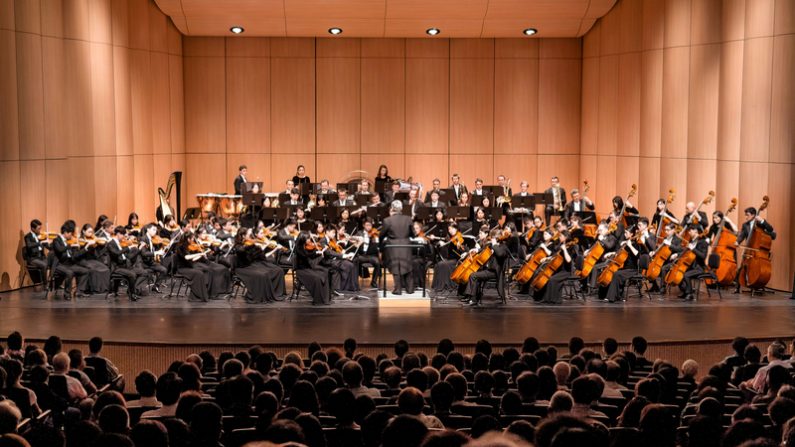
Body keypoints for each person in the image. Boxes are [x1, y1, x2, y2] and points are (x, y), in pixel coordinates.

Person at [234, 227, 287, 303]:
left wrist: (261, 247)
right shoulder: (239, 246)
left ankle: (276, 293)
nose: (252, 236)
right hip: (244, 267)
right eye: (249, 235)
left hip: (256, 263)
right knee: (263, 274)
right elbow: (242, 252)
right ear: (243, 236)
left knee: (278, 270)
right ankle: (263, 296)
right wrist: (252, 245)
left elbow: (261, 257)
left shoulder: (252, 243)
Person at [461, 227, 510, 306]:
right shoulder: (491, 245)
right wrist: (476, 250)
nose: (491, 239)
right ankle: (471, 297)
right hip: (488, 270)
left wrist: (494, 245)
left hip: (494, 272)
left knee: (473, 276)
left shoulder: (503, 247)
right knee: (474, 273)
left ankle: (472, 299)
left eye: (492, 237)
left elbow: (500, 254)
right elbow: (483, 249)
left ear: (497, 238)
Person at [534, 230, 577, 304]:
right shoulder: (560, 245)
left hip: (567, 270)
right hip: (559, 269)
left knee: (552, 279)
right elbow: (555, 256)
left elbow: (568, 260)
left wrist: (564, 250)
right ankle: (543, 298)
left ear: (565, 237)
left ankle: (555, 299)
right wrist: (546, 258)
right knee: (546, 277)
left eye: (560, 236)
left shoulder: (571, 246)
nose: (559, 237)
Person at [381, 201, 415, 295]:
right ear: (401, 208)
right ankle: (410, 289)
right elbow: (413, 234)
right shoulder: (408, 219)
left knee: (395, 267)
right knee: (408, 265)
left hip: (393, 245)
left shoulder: (387, 220)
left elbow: (382, 235)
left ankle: (398, 289)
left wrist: (380, 246)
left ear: (392, 208)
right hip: (406, 244)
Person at [51, 221, 91, 300]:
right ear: (65, 232)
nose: (71, 236)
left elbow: (74, 256)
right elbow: (59, 250)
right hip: (60, 265)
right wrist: (69, 246)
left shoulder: (69, 241)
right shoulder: (56, 240)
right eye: (70, 234)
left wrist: (85, 249)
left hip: (69, 264)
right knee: (69, 273)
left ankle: (79, 292)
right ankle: (67, 294)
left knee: (85, 271)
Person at [106, 227, 148, 301]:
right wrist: (128, 248)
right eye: (123, 235)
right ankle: (132, 294)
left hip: (125, 266)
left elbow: (128, 257)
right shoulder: (110, 243)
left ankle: (131, 290)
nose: (124, 237)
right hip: (116, 268)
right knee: (132, 274)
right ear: (118, 234)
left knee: (144, 273)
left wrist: (138, 249)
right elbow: (116, 253)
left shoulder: (121, 243)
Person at [670, 224, 708, 301]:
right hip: (691, 266)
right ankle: (685, 291)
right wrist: (677, 254)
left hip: (699, 267)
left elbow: (703, 256)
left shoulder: (702, 242)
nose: (689, 232)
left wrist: (693, 249)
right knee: (679, 273)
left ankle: (689, 294)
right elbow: (686, 252)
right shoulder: (692, 241)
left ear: (696, 231)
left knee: (686, 275)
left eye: (690, 231)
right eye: (688, 231)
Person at [294, 232, 331, 305]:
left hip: (307, 268)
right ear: (303, 239)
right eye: (307, 238)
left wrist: (317, 253)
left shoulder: (304, 246)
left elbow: (309, 256)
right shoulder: (298, 248)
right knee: (317, 278)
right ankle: (319, 300)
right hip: (301, 270)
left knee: (324, 273)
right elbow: (306, 256)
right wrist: (316, 253)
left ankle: (325, 298)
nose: (309, 240)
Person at [77, 224, 111, 294]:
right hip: (83, 260)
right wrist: (87, 245)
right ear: (83, 231)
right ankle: (95, 289)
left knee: (105, 268)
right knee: (93, 269)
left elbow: (100, 247)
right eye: (89, 232)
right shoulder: (80, 240)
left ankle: (103, 289)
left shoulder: (94, 239)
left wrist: (97, 242)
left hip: (92, 260)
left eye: (92, 232)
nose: (91, 234)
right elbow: (79, 253)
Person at [355, 219, 381, 289]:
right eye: (367, 225)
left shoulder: (374, 234)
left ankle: (374, 281)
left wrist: (375, 239)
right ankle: (355, 282)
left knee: (377, 262)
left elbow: (378, 246)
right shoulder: (359, 233)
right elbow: (355, 244)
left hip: (371, 255)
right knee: (355, 260)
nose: (369, 227)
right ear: (363, 225)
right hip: (362, 255)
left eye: (370, 225)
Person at [23, 219, 50, 284]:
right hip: (33, 259)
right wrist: (39, 241)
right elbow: (29, 245)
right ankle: (45, 284)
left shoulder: (41, 235)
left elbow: (46, 245)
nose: (40, 230)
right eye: (38, 229)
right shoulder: (28, 236)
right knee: (44, 265)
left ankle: (57, 284)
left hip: (42, 257)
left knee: (55, 262)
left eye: (40, 228)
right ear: (32, 228)